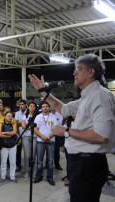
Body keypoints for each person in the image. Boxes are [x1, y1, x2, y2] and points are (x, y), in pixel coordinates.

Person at [29, 54, 115, 201]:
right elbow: (62, 108)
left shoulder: (99, 96)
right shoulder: (88, 97)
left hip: (87, 165)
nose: (74, 73)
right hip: (81, 163)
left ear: (90, 72)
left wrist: (67, 131)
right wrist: (42, 90)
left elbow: (102, 136)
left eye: (78, 69)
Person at [33, 101, 58, 186]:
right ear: (41, 108)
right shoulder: (38, 117)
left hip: (51, 141)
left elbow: (55, 129)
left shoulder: (53, 117)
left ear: (49, 107)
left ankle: (50, 177)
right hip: (40, 141)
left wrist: (48, 138)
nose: (45, 108)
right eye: (43, 106)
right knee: (39, 160)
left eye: (46, 106)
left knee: (50, 161)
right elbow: (35, 129)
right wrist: (43, 137)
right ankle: (39, 176)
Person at [0, 111, 18, 183]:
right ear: (5, 117)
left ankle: (12, 176)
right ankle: (3, 176)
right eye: (8, 116)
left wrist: (5, 133)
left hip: (13, 145)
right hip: (3, 146)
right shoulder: (1, 123)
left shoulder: (14, 123)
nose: (10, 117)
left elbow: (15, 132)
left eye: (11, 116)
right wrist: (10, 135)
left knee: (13, 162)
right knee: (3, 162)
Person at [21, 101, 38, 178]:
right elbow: (23, 126)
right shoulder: (25, 116)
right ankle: (26, 171)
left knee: (34, 155)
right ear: (28, 107)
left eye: (33, 106)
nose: (32, 107)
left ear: (35, 107)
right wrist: (33, 128)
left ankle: (34, 171)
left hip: (35, 137)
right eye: (30, 106)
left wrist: (30, 128)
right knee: (27, 155)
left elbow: (38, 127)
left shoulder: (38, 116)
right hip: (26, 137)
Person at [14, 99, 27, 171]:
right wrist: (22, 123)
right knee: (18, 151)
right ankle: (18, 165)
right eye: (20, 105)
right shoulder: (17, 113)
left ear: (25, 105)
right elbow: (16, 123)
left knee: (27, 151)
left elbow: (27, 124)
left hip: (27, 135)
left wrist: (21, 123)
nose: (21, 106)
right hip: (19, 134)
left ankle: (27, 166)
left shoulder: (28, 113)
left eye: (22, 104)